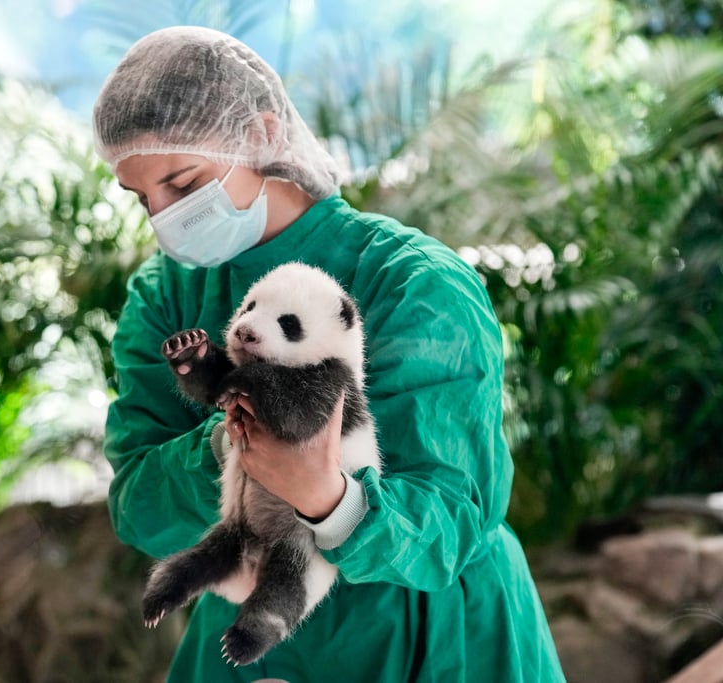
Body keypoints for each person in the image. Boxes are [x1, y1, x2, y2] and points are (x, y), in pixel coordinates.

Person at [93, 25, 566, 683]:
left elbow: (451, 521)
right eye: (143, 198)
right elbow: (140, 505)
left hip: (430, 629)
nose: (162, 218)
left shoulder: (416, 286)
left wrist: (332, 497)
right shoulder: (165, 294)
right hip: (249, 628)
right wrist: (237, 441)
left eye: (181, 182)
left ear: (258, 133)